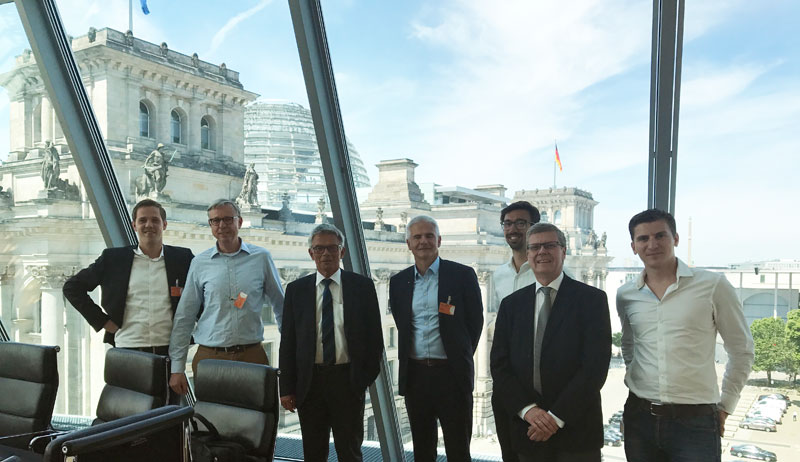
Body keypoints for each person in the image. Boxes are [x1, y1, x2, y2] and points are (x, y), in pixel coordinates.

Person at [617, 209, 754, 461]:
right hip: (639, 418)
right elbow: (629, 345)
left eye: (661, 235)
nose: (652, 244)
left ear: (676, 238)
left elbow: (742, 350)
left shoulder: (712, 285)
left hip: (696, 422)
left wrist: (725, 407)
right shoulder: (626, 294)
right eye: (643, 239)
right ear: (634, 246)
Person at [491, 222, 611, 462]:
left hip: (576, 431)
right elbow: (500, 366)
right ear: (528, 255)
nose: (541, 251)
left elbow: (594, 369)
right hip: (528, 430)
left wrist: (554, 418)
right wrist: (529, 411)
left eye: (550, 245)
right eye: (534, 247)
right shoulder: (511, 305)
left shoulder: (592, 300)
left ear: (563, 251)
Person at [279, 224, 383, 462]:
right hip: (310, 383)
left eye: (332, 248)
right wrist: (286, 388)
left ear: (342, 252)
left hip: (348, 382)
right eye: (319, 248)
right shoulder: (296, 290)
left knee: (350, 452)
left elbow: (374, 340)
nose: (326, 253)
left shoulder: (362, 287)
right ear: (311, 253)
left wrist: (361, 381)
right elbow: (288, 342)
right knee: (314, 453)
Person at [389, 215, 483, 461]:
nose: (423, 242)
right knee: (422, 450)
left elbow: (475, 323)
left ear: (439, 240)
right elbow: (403, 324)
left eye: (429, 236)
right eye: (417, 237)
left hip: (452, 376)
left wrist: (457, 354)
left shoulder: (462, 275)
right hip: (416, 377)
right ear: (408, 243)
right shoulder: (398, 282)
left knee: (458, 449)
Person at [168, 199, 285, 395]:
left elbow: (281, 308)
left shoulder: (261, 258)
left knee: (253, 420)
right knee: (212, 420)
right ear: (211, 226)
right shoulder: (200, 263)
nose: (222, 225)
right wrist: (177, 368)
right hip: (209, 357)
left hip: (252, 356)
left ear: (239, 222)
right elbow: (184, 317)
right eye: (215, 221)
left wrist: (290, 356)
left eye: (228, 219)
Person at [492, 200, 541, 462]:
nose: (513, 229)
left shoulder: (552, 273)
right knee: (509, 453)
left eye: (521, 223)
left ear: (535, 226)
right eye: (508, 223)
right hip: (506, 381)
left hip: (539, 383)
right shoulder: (499, 274)